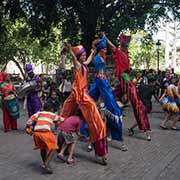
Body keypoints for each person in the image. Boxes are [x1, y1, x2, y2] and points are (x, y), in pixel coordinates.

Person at [59, 43, 108, 165]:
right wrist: (70, 51)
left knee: (96, 120)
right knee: (70, 112)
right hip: (80, 95)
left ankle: (99, 150)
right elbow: (74, 59)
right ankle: (62, 146)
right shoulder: (77, 65)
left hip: (82, 93)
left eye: (85, 55)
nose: (85, 57)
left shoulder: (84, 65)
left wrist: (92, 52)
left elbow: (89, 61)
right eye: (83, 55)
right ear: (78, 56)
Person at [105, 33, 151, 139]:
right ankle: (108, 130)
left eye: (126, 46)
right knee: (109, 101)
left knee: (138, 106)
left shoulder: (125, 54)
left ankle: (145, 129)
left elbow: (126, 74)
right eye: (124, 46)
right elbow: (112, 47)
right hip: (123, 82)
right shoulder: (121, 53)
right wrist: (106, 38)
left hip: (126, 82)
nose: (125, 47)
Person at [89, 34, 128, 151]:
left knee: (111, 117)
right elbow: (100, 83)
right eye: (104, 49)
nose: (106, 50)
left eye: (106, 48)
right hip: (101, 99)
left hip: (103, 103)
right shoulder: (97, 60)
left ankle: (117, 140)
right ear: (100, 50)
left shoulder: (102, 58)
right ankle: (91, 143)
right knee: (110, 115)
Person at [26, 102, 59, 174]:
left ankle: (46, 165)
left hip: (36, 133)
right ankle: (45, 164)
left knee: (43, 148)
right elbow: (61, 119)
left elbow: (29, 121)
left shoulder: (38, 113)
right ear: (51, 109)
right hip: (45, 132)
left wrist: (30, 128)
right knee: (54, 147)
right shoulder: (52, 114)